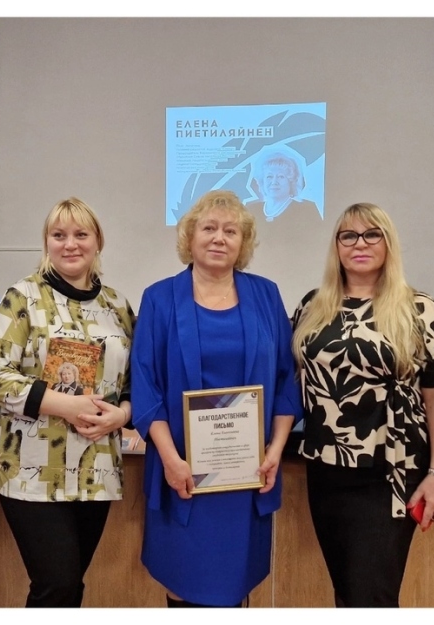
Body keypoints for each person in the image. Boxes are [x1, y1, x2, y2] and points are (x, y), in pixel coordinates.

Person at [131, 189, 302, 607]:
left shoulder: (266, 295)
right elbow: (145, 385)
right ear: (190, 237)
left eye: (231, 231)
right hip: (181, 473)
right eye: (209, 228)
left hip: (247, 474)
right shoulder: (159, 298)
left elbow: (287, 379)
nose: (219, 238)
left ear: (243, 243)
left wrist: (276, 450)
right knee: (183, 584)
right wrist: (170, 460)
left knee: (234, 587)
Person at [290, 202, 434, 607]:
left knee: (370, 596)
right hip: (326, 467)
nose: (360, 244)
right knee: (348, 589)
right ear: (336, 246)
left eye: (373, 234)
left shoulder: (420, 309)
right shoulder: (313, 306)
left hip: (390, 470)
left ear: (389, 244)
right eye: (348, 236)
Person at [0, 197, 135, 607]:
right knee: (57, 584)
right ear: (46, 241)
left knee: (71, 587)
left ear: (97, 241)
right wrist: (66, 405)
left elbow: (135, 383)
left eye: (81, 234)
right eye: (59, 234)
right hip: (31, 469)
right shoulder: (22, 298)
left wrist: (121, 415)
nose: (70, 244)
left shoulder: (118, 307)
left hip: (96, 468)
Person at [246, 146, 319, 222]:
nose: (274, 182)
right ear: (262, 181)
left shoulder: (307, 210)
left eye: (281, 177)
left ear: (291, 181)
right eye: (269, 177)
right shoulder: (251, 209)